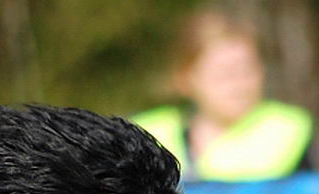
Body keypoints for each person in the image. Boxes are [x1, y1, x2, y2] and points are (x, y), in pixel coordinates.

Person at [132, 8, 315, 182]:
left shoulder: (288, 131)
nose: (238, 84)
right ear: (186, 77)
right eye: (223, 74)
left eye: (247, 70)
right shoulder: (150, 135)